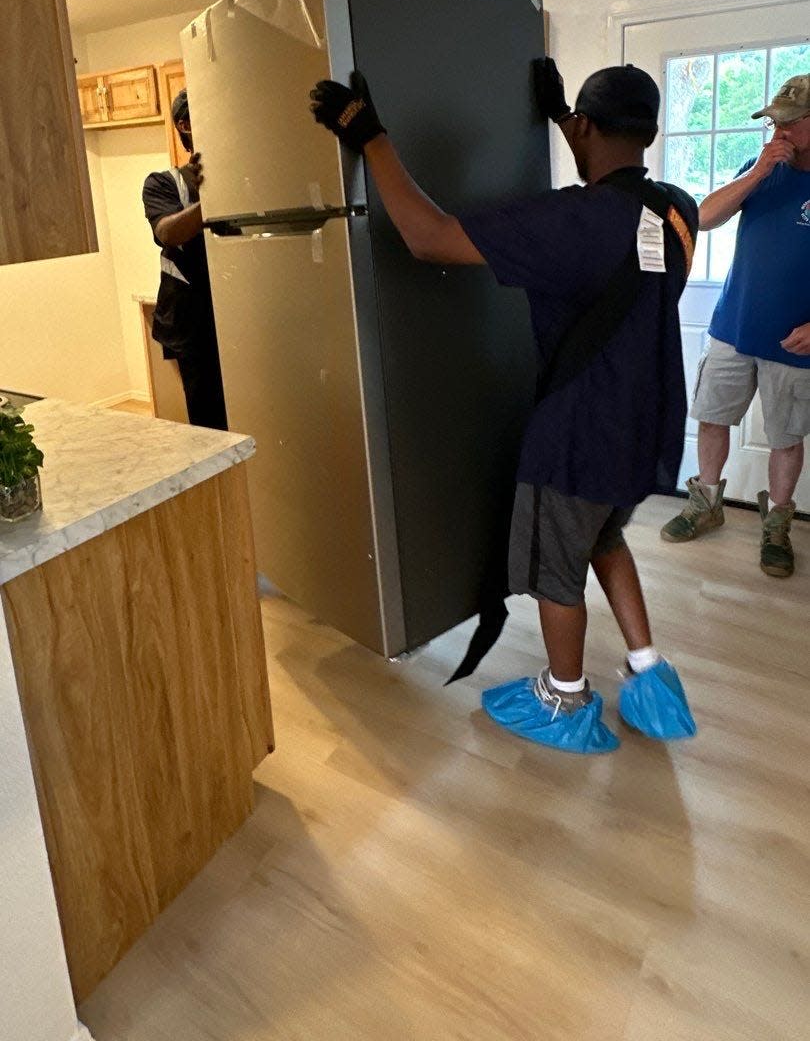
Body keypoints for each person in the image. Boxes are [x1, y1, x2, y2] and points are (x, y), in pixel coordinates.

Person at [310, 60, 699, 754]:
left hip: (578, 433)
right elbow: (621, 253)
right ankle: (648, 672)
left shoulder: (566, 221)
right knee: (604, 539)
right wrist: (561, 119)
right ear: (651, 130)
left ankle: (565, 697)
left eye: (574, 125)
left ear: (585, 126)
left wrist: (370, 137)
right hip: (646, 428)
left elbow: (426, 236)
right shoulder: (676, 209)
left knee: (558, 567)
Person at [662, 73, 810, 577]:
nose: (779, 130)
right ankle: (706, 503)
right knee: (711, 419)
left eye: (790, 122)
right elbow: (703, 218)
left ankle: (777, 527)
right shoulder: (762, 166)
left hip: (795, 342)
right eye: (774, 120)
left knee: (786, 437)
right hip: (733, 327)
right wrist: (759, 171)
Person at [142, 89, 228, 430]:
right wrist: (214, 198)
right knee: (211, 424)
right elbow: (168, 232)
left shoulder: (242, 171)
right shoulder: (162, 183)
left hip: (238, 314)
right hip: (193, 324)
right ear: (184, 124)